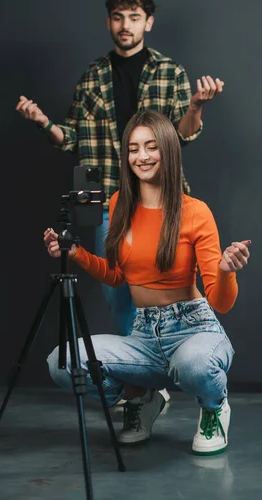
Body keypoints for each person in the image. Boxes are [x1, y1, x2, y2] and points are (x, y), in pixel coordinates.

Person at [17, 0, 225, 341]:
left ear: (149, 23)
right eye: (118, 17)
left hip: (159, 198)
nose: (125, 25)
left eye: (134, 17)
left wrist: (196, 108)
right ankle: (141, 377)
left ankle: (173, 356)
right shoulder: (92, 75)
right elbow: (73, 138)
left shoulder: (169, 72)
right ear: (109, 22)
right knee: (116, 290)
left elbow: (183, 135)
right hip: (105, 195)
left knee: (166, 281)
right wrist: (45, 124)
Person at [44, 110, 250, 455]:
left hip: (193, 329)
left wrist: (227, 269)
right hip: (143, 335)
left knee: (195, 365)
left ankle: (214, 407)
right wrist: (75, 252)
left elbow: (221, 302)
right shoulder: (119, 204)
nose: (142, 157)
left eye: (151, 147)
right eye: (134, 148)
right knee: (63, 361)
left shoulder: (195, 211)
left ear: (167, 151)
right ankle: (139, 395)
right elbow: (116, 275)